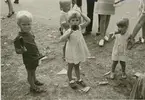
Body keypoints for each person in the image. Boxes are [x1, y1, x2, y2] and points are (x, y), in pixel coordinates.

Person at [14, 11, 45, 93]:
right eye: (24, 24)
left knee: (34, 70)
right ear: (19, 24)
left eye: (29, 24)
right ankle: (33, 87)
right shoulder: (19, 38)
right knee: (30, 73)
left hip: (35, 57)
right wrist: (22, 50)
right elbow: (17, 50)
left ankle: (35, 80)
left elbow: (33, 42)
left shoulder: (30, 32)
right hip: (28, 59)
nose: (27, 26)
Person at [59, 10, 90, 89]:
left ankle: (78, 79)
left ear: (79, 21)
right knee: (70, 66)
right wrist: (69, 33)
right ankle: (71, 80)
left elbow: (88, 20)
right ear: (69, 22)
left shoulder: (80, 27)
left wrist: (81, 14)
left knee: (77, 65)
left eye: (77, 20)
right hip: (71, 51)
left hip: (78, 50)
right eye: (73, 20)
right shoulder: (68, 31)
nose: (75, 22)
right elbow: (61, 39)